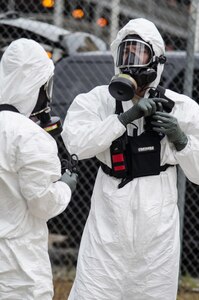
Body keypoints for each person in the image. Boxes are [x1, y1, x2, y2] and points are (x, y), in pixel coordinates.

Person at [62, 18, 199, 300]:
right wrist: (122, 120)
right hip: (108, 223)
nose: (130, 63)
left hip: (157, 228)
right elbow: (76, 142)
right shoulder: (98, 101)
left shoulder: (180, 107)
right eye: (125, 54)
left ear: (157, 60)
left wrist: (181, 141)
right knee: (94, 291)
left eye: (138, 54)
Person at [0, 38, 77, 300]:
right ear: (38, 87)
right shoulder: (31, 136)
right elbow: (42, 204)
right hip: (19, 268)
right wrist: (65, 187)